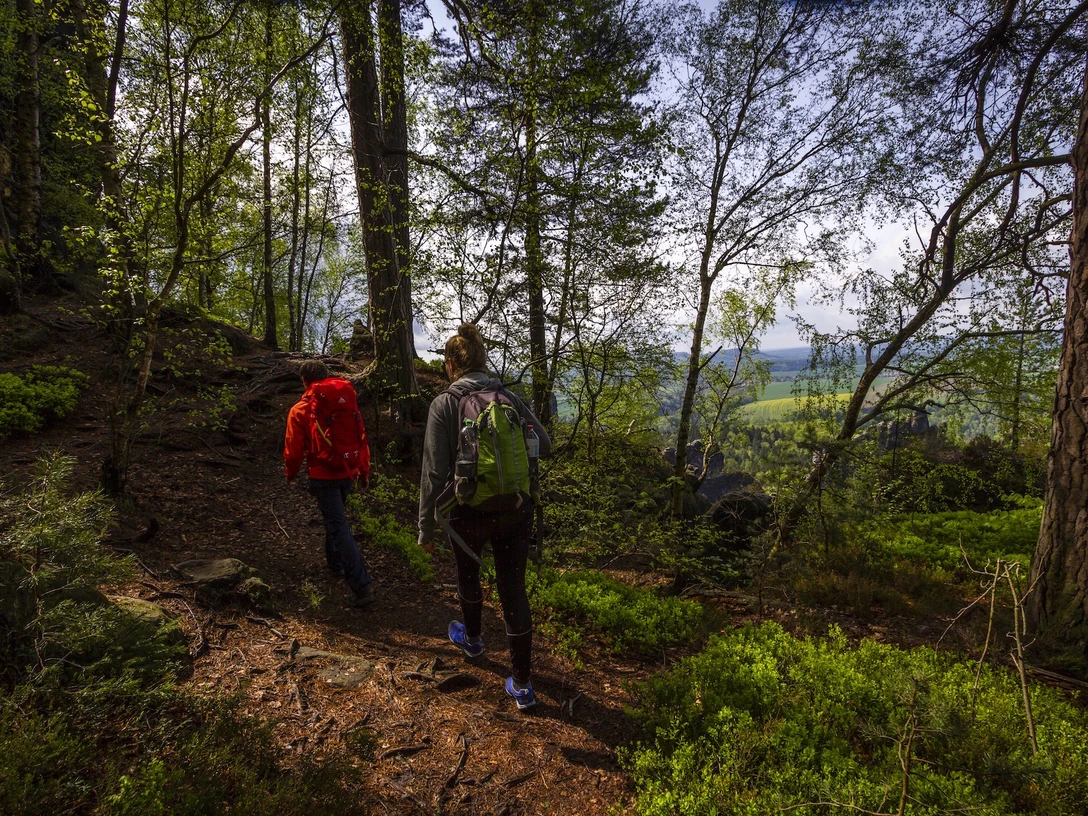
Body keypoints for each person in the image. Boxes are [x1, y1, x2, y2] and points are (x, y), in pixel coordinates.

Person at [418, 324, 551, 710]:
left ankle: (473, 641)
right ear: (482, 359)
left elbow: (433, 473)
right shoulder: (507, 396)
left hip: (467, 511)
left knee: (468, 573)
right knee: (514, 589)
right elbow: (543, 444)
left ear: (449, 365)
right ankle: (523, 685)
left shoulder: (444, 404)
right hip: (515, 509)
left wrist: (426, 527)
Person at [284, 360, 375, 609]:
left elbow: (293, 451)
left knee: (338, 526)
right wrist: (363, 471)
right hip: (347, 472)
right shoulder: (344, 404)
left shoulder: (300, 409)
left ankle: (361, 586)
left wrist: (290, 474)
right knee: (335, 519)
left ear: (304, 381)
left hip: (323, 476)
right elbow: (360, 437)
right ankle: (334, 564)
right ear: (325, 377)